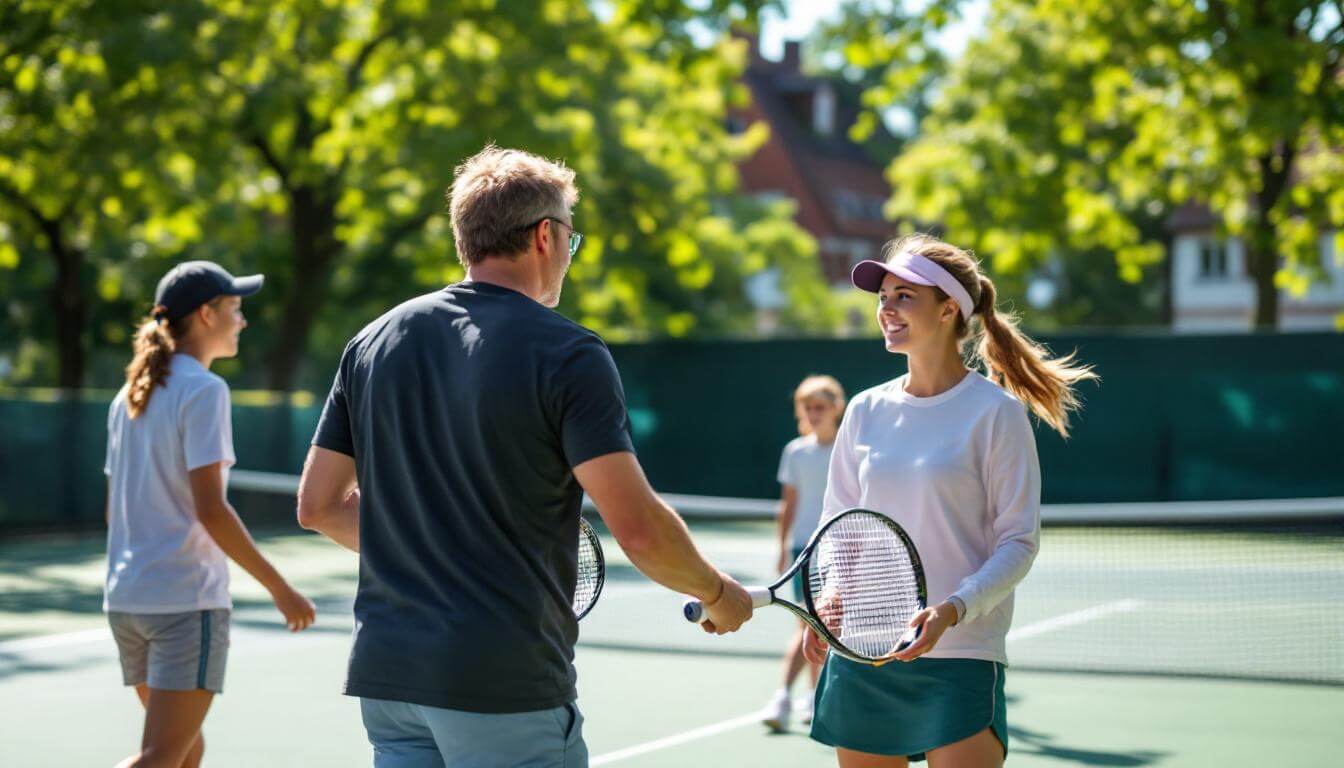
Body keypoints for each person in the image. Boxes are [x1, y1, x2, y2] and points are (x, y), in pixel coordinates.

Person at [296, 145, 753, 768]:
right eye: (572, 236)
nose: (571, 252)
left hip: (389, 678)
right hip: (502, 681)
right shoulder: (569, 353)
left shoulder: (372, 341)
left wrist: (425, 551)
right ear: (545, 235)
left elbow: (318, 506)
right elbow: (640, 531)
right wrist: (718, 590)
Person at [804, 234, 1097, 767]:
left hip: (960, 653)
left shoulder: (996, 414)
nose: (886, 308)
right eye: (883, 296)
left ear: (947, 310)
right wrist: (834, 595)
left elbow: (1018, 542)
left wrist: (953, 609)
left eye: (903, 296)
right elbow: (839, 525)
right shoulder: (865, 410)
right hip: (864, 649)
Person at [104, 261, 316, 768]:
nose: (242, 321)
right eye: (235, 309)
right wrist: (279, 588)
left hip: (128, 601)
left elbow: (115, 514)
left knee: (186, 752)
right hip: (183, 604)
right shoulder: (205, 391)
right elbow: (211, 510)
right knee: (163, 755)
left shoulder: (126, 397)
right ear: (206, 314)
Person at [761, 375, 846, 732]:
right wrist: (782, 548)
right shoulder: (795, 451)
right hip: (803, 551)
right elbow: (789, 504)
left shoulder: (849, 447)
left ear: (835, 409)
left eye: (820, 407)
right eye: (808, 407)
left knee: (821, 625)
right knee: (809, 624)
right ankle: (789, 696)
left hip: (840, 552)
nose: (813, 413)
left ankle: (803, 697)